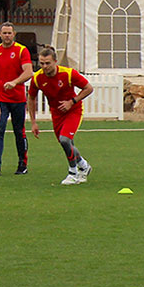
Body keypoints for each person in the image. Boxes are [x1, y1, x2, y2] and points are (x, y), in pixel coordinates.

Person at [28, 46, 94, 185]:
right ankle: (83, 165)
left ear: (55, 62)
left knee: (65, 140)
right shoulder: (37, 78)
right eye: (41, 63)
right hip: (56, 114)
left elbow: (88, 88)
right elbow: (31, 98)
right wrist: (33, 122)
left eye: (47, 63)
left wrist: (72, 101)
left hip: (73, 111)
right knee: (66, 143)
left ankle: (73, 172)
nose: (44, 66)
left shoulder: (69, 74)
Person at [0, 22, 33, 176]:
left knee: (19, 131)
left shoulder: (21, 51)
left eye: (9, 33)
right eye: (4, 33)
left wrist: (14, 82)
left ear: (14, 34)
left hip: (18, 98)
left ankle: (22, 164)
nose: (7, 36)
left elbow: (29, 72)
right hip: (0, 98)